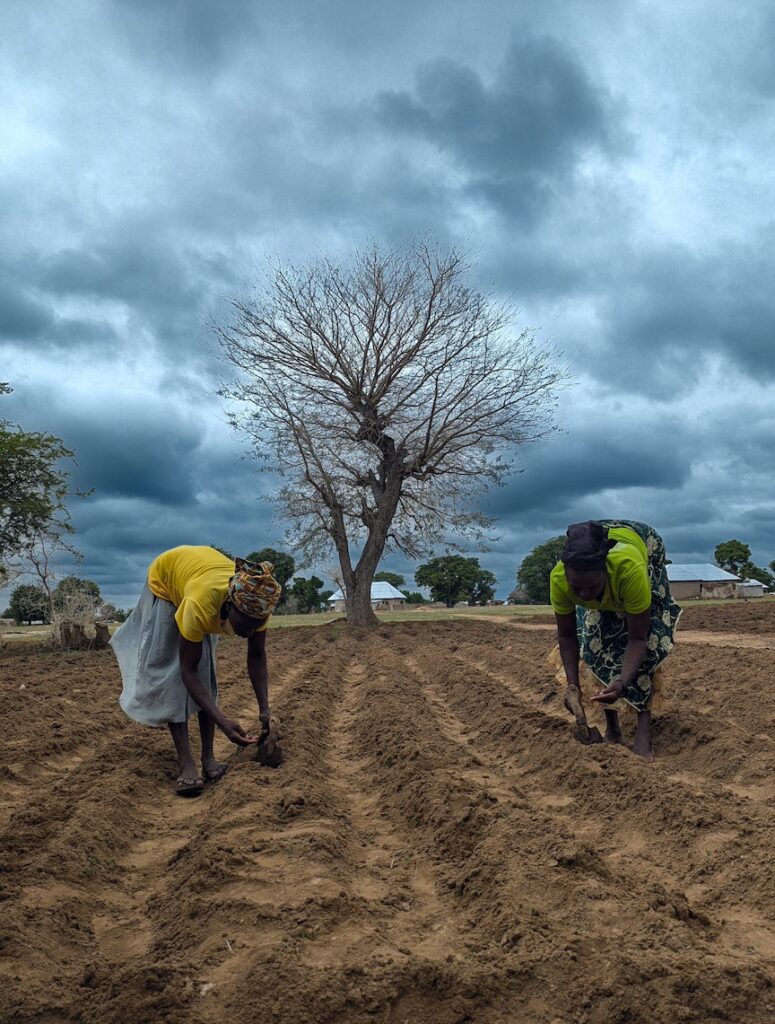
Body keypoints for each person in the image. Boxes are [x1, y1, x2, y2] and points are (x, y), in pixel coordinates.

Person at [110, 546, 282, 795]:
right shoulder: (202, 603)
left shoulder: (258, 605)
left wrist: (265, 711)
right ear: (230, 606)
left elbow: (256, 656)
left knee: (206, 672)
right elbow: (187, 671)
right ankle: (186, 763)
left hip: (201, 576)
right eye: (243, 624)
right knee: (172, 674)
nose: (247, 632)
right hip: (168, 584)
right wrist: (222, 721)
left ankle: (209, 759)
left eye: (255, 627)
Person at [549, 519, 680, 760]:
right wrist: (572, 687)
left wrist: (622, 683)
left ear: (604, 571)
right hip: (596, 550)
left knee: (650, 646)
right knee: (595, 645)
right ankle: (613, 729)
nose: (585, 595)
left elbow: (637, 640)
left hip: (645, 546)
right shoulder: (559, 579)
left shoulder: (629, 571)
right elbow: (567, 636)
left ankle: (643, 732)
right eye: (577, 589)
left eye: (592, 587)